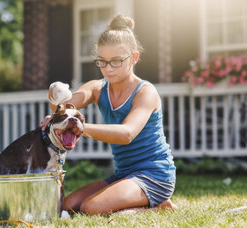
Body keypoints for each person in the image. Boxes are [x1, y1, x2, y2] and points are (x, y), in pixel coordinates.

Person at [41, 14, 177, 215]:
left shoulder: (145, 92)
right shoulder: (97, 88)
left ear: (134, 58)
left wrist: (81, 128)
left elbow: (127, 134)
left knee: (91, 208)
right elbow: (66, 107)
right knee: (65, 207)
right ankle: (138, 201)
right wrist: (56, 101)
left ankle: (158, 207)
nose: (108, 69)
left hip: (154, 175)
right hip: (123, 175)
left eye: (116, 61)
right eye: (102, 62)